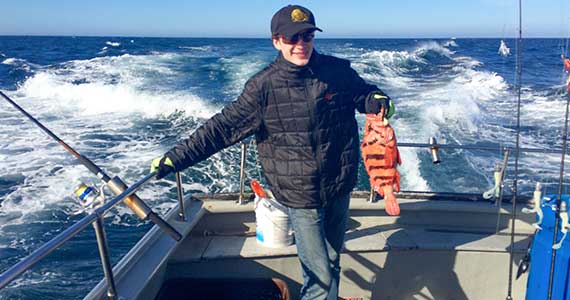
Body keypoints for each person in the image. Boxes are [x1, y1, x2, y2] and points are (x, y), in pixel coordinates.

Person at [150, 5, 395, 300]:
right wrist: (177, 158)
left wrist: (377, 100)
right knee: (318, 277)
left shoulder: (338, 72)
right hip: (300, 194)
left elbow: (364, 93)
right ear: (276, 41)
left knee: (332, 262)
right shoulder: (262, 87)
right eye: (292, 38)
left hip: (339, 186)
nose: (301, 45)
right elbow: (222, 128)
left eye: (307, 36)